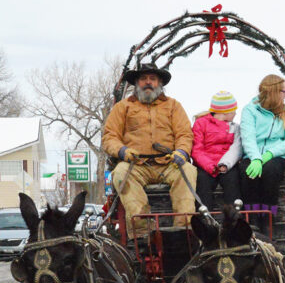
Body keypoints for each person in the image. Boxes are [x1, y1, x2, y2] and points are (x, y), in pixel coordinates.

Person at [102, 63, 195, 240]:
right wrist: (122, 151)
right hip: (136, 165)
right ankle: (143, 234)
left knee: (188, 171)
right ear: (137, 82)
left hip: (169, 164)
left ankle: (184, 232)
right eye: (143, 79)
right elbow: (109, 137)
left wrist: (181, 153)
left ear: (159, 82)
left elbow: (184, 134)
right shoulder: (122, 107)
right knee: (120, 173)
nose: (148, 82)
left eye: (152, 78)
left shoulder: (174, 106)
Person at [239, 74, 285, 230]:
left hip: (277, 155)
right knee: (247, 172)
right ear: (274, 92)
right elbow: (248, 138)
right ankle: (252, 218)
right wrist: (256, 158)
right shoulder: (250, 110)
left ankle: (267, 217)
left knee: (270, 170)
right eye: (284, 92)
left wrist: (269, 154)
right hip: (253, 155)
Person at [191, 91, 243, 209]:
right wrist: (211, 167)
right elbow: (196, 149)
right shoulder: (200, 124)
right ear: (225, 112)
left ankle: (233, 215)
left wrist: (225, 164)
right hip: (206, 165)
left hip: (227, 164)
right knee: (202, 182)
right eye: (234, 110)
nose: (235, 113)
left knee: (232, 180)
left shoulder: (235, 127)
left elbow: (236, 148)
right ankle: (205, 216)